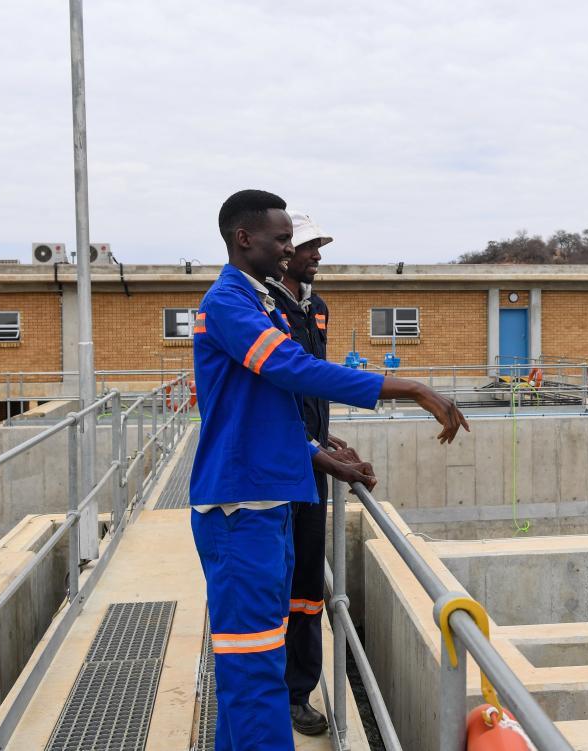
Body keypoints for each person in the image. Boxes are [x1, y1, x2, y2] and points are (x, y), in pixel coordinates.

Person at [190, 189, 468, 751]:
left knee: (254, 662)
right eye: (281, 239)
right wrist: (409, 387)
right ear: (244, 239)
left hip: (269, 499)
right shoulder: (228, 303)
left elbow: (269, 405)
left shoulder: (262, 302)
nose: (289, 248)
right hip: (241, 507)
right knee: (254, 671)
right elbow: (291, 368)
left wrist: (316, 450)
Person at [264, 210, 350, 735]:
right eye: (309, 246)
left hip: (311, 463)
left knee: (308, 587)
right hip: (279, 467)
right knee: (276, 582)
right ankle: (271, 688)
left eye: (320, 246)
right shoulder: (264, 307)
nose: (317, 255)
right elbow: (278, 387)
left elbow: (314, 381)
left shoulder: (316, 308)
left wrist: (324, 436)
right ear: (284, 250)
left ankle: (298, 691)